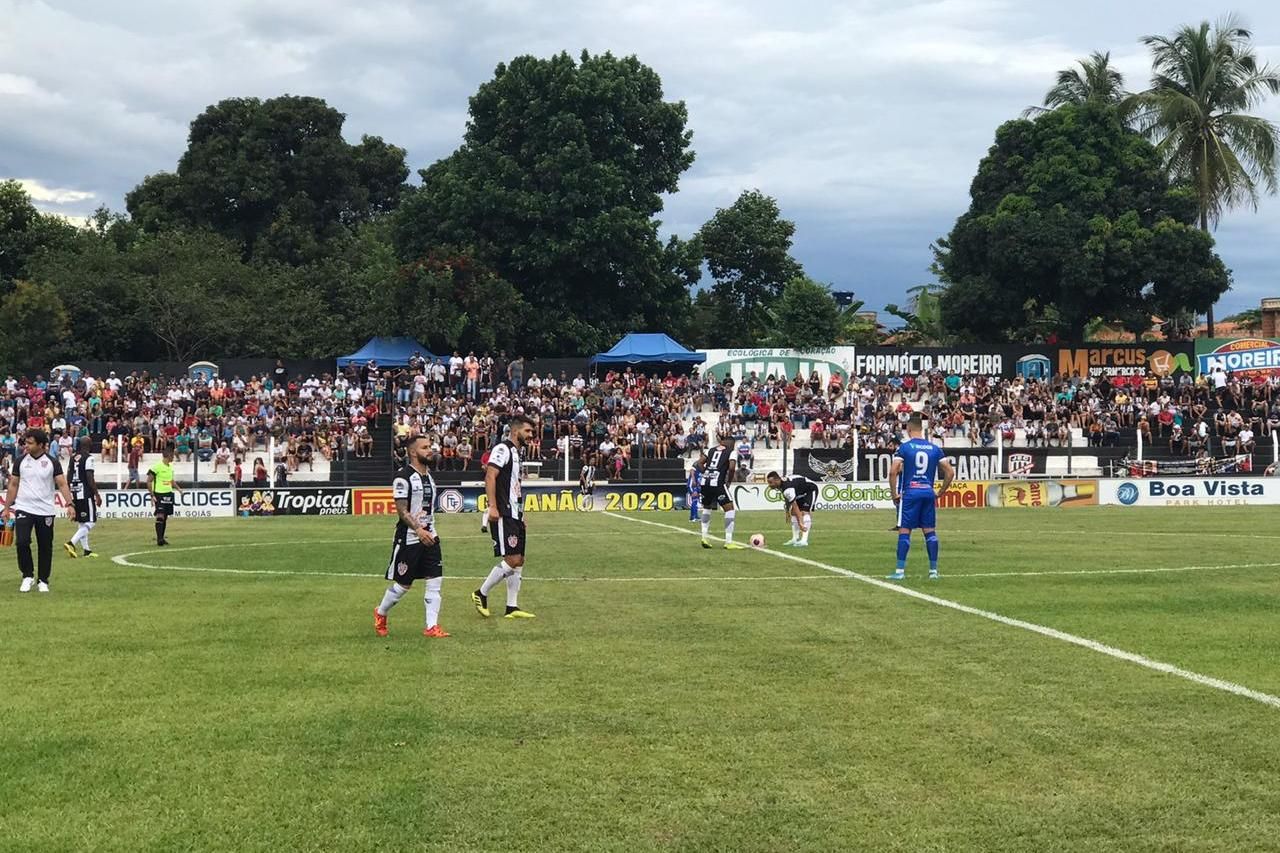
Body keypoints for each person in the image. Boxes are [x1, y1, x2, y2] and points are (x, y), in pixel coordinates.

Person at [373, 435, 449, 639]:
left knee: (435, 580)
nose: (430, 450)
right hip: (410, 538)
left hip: (431, 535)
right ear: (413, 452)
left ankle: (431, 626)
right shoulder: (403, 477)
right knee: (402, 586)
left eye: (430, 446)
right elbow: (402, 511)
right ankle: (381, 612)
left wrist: (428, 530)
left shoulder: (429, 476)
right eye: (425, 447)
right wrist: (419, 530)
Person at [471, 415, 536, 619]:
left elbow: (514, 486)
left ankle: (511, 607)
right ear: (516, 431)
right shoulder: (503, 449)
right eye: (528, 431)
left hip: (515, 513)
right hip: (504, 512)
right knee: (512, 558)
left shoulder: (518, 452)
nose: (531, 435)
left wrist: (521, 513)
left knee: (520, 560)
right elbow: (490, 475)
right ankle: (480, 593)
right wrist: (492, 506)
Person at [2, 429, 76, 593]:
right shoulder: (20, 461)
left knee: (45, 546)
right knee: (21, 542)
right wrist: (7, 508)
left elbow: (62, 484)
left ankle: (43, 580)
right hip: (24, 507)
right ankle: (27, 576)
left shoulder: (52, 462)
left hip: (45, 510)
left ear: (41, 445)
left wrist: (70, 504)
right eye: (26, 442)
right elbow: (13, 484)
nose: (26, 446)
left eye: (30, 443)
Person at [888, 416, 955, 581]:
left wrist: (894, 494)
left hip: (911, 492)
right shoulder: (934, 448)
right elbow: (950, 472)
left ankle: (900, 571)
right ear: (922, 429)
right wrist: (940, 492)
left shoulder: (905, 448)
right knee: (930, 532)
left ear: (909, 430)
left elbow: (893, 471)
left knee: (905, 531)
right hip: (927, 492)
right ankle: (933, 571)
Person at [698, 436, 744, 550]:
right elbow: (732, 467)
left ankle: (704, 537)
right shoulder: (731, 452)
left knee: (707, 508)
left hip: (705, 481)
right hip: (717, 482)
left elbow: (699, 463)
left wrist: (707, 473)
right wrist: (729, 481)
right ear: (732, 444)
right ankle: (728, 542)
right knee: (730, 509)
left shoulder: (711, 450)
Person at [64, 437, 102, 558]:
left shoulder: (73, 457)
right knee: (91, 521)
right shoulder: (89, 458)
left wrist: (70, 494)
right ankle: (71, 543)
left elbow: (69, 476)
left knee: (82, 523)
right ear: (89, 445)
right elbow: (90, 477)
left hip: (75, 492)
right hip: (85, 493)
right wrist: (96, 494)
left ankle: (87, 550)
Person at [766, 471, 819, 547]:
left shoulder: (787, 488)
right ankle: (795, 538)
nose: (769, 485)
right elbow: (787, 499)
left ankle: (804, 540)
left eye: (771, 482)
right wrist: (787, 511)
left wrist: (800, 522)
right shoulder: (781, 485)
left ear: (777, 480)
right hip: (800, 492)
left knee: (804, 512)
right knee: (793, 512)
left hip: (810, 490)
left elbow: (795, 506)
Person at [148, 447, 182, 547]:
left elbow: (171, 481)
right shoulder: (156, 467)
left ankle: (162, 538)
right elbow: (149, 481)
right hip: (159, 494)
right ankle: (159, 539)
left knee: (165, 516)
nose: (174, 458)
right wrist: (152, 495)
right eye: (173, 456)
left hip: (168, 494)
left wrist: (179, 489)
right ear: (168, 456)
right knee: (160, 515)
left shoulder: (170, 467)